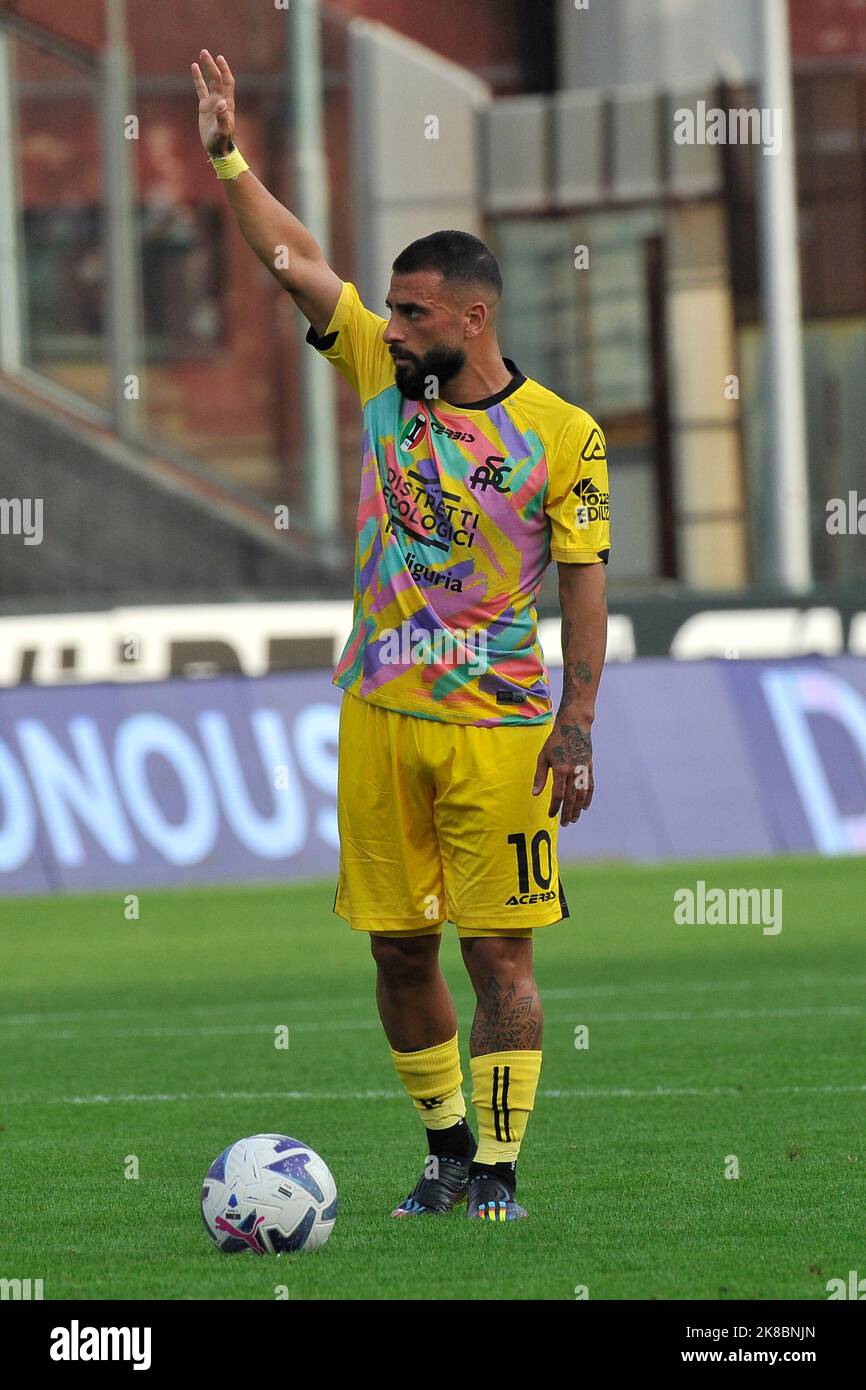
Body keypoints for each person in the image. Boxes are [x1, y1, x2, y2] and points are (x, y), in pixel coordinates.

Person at [191, 49, 611, 1222]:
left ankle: (500, 1172)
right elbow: (293, 263)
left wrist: (576, 721)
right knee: (395, 952)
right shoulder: (382, 370)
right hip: (378, 714)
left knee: (501, 961)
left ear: (472, 319)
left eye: (414, 309)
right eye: (391, 306)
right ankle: (440, 1152)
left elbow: (581, 586)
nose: (391, 321)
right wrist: (227, 154)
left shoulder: (560, 437)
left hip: (501, 734)